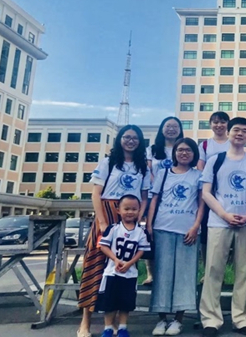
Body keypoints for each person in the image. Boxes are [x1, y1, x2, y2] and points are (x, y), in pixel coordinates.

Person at [77, 125, 149, 337]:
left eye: (135, 138)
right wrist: (102, 222)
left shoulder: (142, 167)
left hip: (130, 217)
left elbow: (145, 196)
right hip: (107, 215)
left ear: (140, 142)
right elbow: (96, 194)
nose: (130, 141)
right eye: (127, 137)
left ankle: (115, 324)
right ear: (119, 139)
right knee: (95, 266)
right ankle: (85, 323)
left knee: (122, 271)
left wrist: (138, 218)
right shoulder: (108, 162)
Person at [200, 117, 246, 337]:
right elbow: (206, 193)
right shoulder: (215, 160)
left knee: (244, 272)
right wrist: (224, 215)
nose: (240, 133)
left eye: (244, 130)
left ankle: (242, 319)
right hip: (219, 222)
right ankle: (210, 319)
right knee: (213, 270)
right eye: (236, 129)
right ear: (229, 132)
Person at [148, 138, 205, 336]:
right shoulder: (163, 173)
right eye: (180, 150)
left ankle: (178, 320)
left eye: (188, 150)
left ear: (194, 153)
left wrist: (196, 226)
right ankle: (161, 319)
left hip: (187, 231)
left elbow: (201, 204)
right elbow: (154, 199)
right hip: (162, 228)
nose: (184, 153)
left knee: (185, 276)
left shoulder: (198, 175)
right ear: (174, 153)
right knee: (161, 275)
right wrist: (149, 224)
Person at [96, 195, 150, 337]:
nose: (130, 212)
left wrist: (130, 263)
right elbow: (103, 246)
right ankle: (108, 328)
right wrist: (115, 259)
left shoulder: (141, 232)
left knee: (125, 303)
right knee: (110, 302)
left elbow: (141, 250)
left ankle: (122, 328)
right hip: (112, 272)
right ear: (118, 210)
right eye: (126, 209)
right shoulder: (113, 229)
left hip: (130, 273)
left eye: (134, 209)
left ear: (139, 211)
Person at [143, 116, 184, 285]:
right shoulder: (152, 150)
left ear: (180, 130)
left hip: (175, 196)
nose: (171, 129)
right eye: (168, 126)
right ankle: (151, 274)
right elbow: (148, 170)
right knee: (151, 233)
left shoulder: (183, 148)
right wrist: (158, 185)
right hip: (154, 195)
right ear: (162, 129)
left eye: (175, 126)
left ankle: (173, 272)